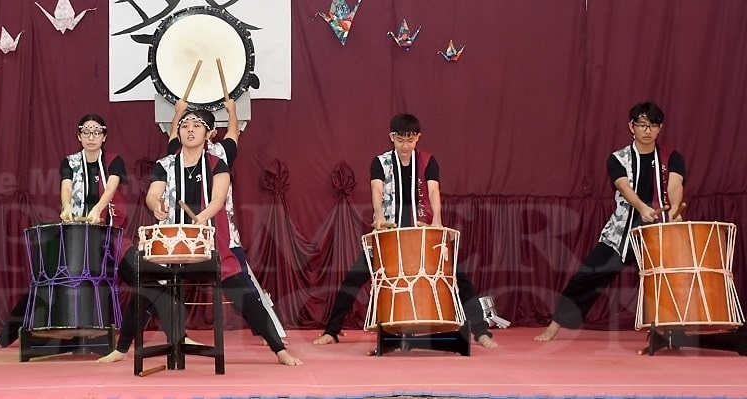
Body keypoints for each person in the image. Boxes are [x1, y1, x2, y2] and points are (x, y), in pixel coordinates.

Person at [98, 104, 303, 366]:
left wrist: (204, 215)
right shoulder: (165, 165)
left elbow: (218, 198)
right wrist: (156, 205)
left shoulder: (218, 164)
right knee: (147, 287)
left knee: (244, 293)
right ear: (178, 134)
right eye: (184, 126)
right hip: (172, 242)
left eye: (196, 125)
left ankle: (279, 350)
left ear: (208, 134)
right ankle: (122, 348)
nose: (190, 129)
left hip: (210, 241)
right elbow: (152, 194)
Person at [312, 112, 498, 349]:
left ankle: (481, 332)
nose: (405, 146)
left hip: (424, 233)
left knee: (458, 277)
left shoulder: (428, 162)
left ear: (418, 138)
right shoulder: (380, 162)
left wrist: (437, 221)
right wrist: (379, 218)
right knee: (354, 278)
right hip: (389, 234)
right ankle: (332, 331)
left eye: (410, 140)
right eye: (400, 140)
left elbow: (433, 191)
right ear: (392, 137)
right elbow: (376, 191)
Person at [535, 101, 684, 341]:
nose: (647, 130)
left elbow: (676, 185)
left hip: (660, 231)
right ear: (631, 126)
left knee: (668, 281)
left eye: (653, 125)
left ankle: (669, 332)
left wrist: (675, 207)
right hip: (622, 231)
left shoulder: (672, 158)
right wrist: (643, 208)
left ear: (660, 128)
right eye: (642, 125)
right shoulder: (618, 158)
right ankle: (554, 326)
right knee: (586, 276)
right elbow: (624, 188)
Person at [0, 113, 129, 350]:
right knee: (45, 277)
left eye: (97, 132)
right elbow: (66, 187)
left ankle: (159, 336)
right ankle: (4, 338)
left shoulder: (113, 161)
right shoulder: (70, 161)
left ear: (104, 136)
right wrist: (67, 206)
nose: (91, 137)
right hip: (76, 234)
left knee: (139, 273)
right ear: (79, 136)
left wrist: (98, 209)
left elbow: (111, 187)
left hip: (108, 233)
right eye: (86, 132)